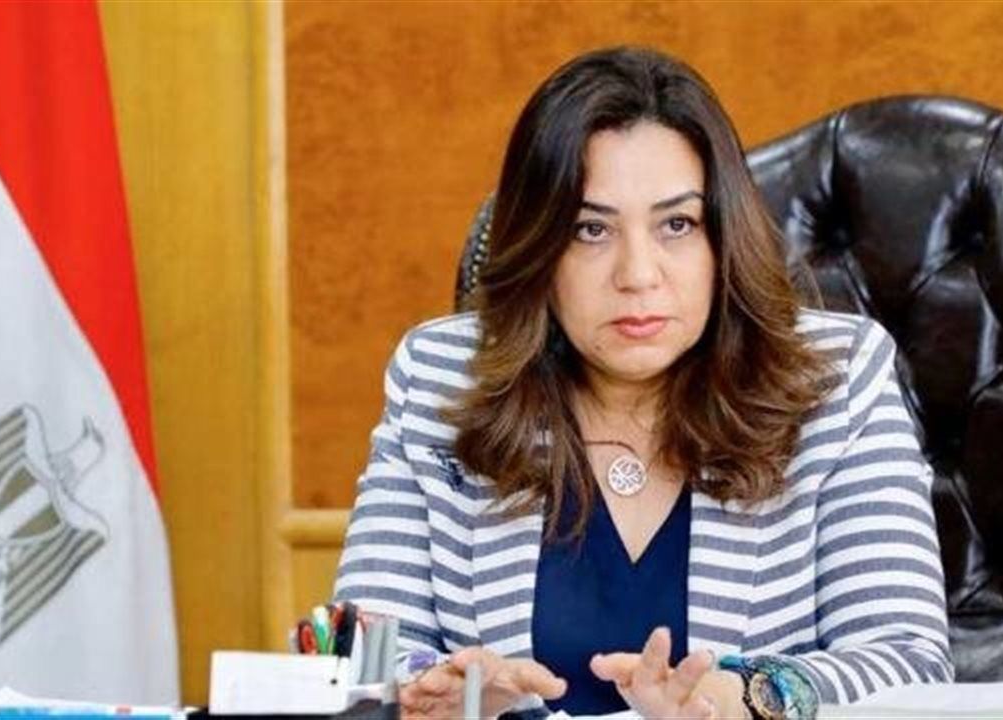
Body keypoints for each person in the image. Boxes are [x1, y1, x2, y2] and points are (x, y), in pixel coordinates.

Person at [333, 46, 952, 720]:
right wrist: (437, 693)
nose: (637, 274)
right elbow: (361, 656)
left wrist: (737, 697)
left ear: (723, 238)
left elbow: (908, 662)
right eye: (590, 230)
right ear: (539, 248)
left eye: (676, 225)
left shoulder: (836, 378)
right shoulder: (438, 379)